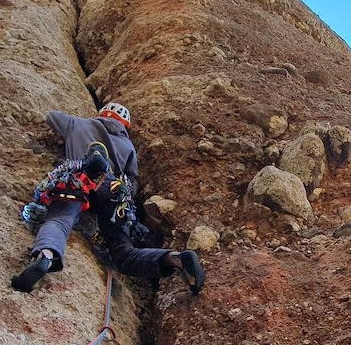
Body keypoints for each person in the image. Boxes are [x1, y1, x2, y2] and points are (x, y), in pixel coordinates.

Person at [11, 101, 205, 294]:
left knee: (60, 220)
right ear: (125, 126)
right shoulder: (128, 146)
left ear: (101, 114)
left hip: (79, 179)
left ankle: (45, 256)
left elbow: (52, 117)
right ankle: (175, 258)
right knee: (124, 252)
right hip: (113, 189)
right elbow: (132, 182)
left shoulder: (77, 124)